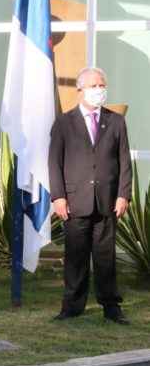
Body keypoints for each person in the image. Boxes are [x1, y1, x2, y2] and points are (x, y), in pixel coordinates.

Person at [49, 67, 132, 324]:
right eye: (94, 86)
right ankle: (72, 306)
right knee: (76, 257)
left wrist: (123, 195)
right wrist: (58, 197)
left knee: (105, 257)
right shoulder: (64, 122)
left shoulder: (116, 121)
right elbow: (54, 162)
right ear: (81, 90)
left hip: (107, 201)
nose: (99, 90)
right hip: (75, 202)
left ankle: (111, 307)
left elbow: (124, 161)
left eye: (102, 85)